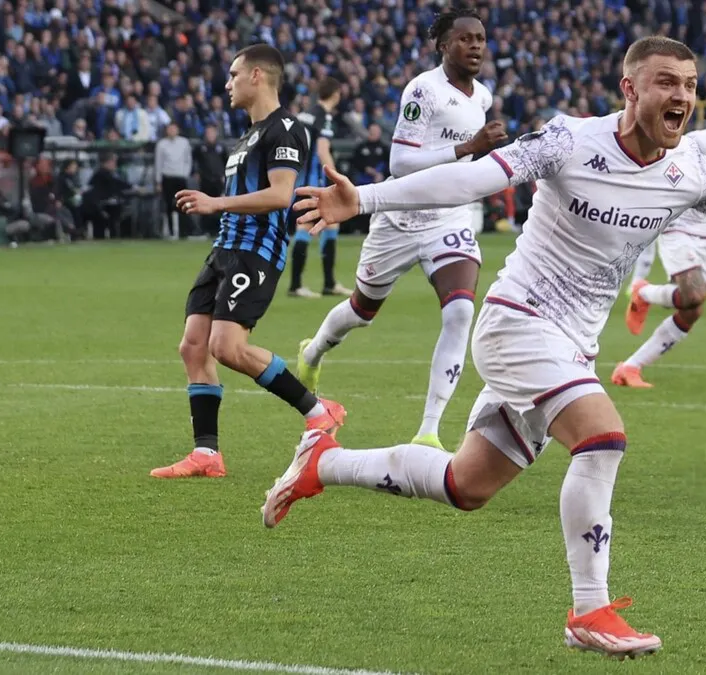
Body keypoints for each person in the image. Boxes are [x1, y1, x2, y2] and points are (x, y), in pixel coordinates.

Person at [272, 37, 706, 657]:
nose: (682, 96)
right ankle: (589, 609)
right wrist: (366, 199)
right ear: (628, 88)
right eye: (667, 82)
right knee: (602, 436)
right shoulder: (568, 139)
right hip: (517, 321)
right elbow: (471, 181)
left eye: (691, 86)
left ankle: (322, 462)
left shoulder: (690, 170)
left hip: (571, 348)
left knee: (465, 484)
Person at [295, 7, 505, 450]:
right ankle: (313, 351)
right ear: (443, 45)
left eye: (480, 39)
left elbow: (468, 163)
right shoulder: (422, 89)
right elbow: (400, 163)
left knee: (460, 312)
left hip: (448, 218)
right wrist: (469, 147)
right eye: (465, 39)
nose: (475, 47)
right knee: (360, 312)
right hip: (399, 216)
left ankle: (428, 431)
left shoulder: (482, 97)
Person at [150, 44, 346, 480]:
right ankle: (206, 454)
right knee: (193, 345)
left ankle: (319, 409)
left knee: (227, 347)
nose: (227, 83)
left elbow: (281, 195)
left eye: (234, 74)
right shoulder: (246, 136)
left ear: (257, 76)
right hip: (225, 250)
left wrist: (215, 202)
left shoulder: (287, 128)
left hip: (256, 251)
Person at [614, 88, 706, 388]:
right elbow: (660, 170)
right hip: (678, 222)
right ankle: (642, 293)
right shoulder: (698, 143)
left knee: (692, 309)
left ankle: (630, 367)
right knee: (693, 294)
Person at [288, 76, 349, 298]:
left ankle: (329, 283)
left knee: (331, 225)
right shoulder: (324, 117)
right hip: (315, 182)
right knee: (306, 229)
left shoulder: (305, 114)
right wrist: (338, 180)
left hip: (300, 178)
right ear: (335, 94)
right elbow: (323, 151)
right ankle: (296, 286)